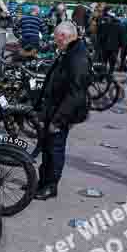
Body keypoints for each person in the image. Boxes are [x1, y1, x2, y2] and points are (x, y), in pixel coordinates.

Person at [33, 21, 90, 200]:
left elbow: (76, 93)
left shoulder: (77, 56)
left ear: (64, 37)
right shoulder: (70, 51)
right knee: (47, 147)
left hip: (60, 113)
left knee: (55, 149)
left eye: (56, 37)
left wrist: (59, 120)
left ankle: (51, 186)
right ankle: (43, 181)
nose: (55, 40)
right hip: (54, 108)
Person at [97, 9, 124, 75]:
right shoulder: (120, 26)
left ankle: (102, 76)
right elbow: (121, 39)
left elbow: (100, 36)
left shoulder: (103, 25)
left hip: (105, 47)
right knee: (112, 64)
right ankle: (109, 76)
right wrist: (120, 46)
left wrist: (99, 45)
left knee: (104, 62)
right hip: (114, 48)